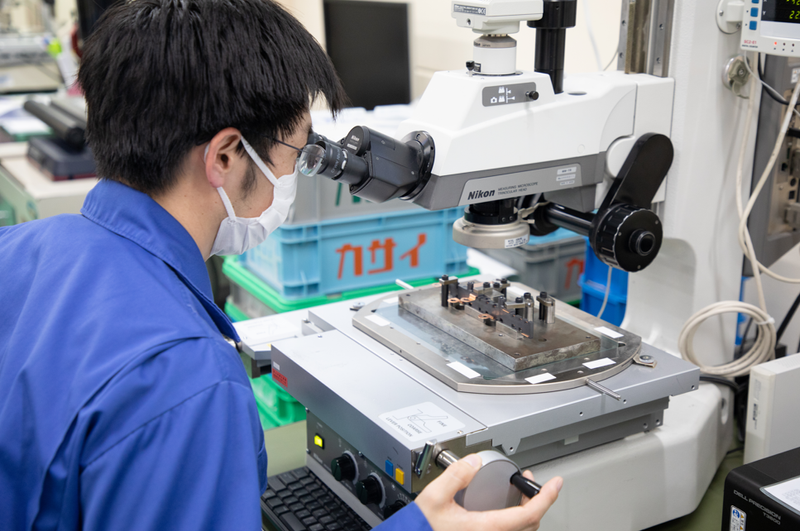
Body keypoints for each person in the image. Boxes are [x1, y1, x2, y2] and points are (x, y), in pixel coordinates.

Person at [0, 0, 562, 529]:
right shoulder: (188, 383)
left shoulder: (18, 247)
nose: (294, 173)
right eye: (295, 154)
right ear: (225, 156)